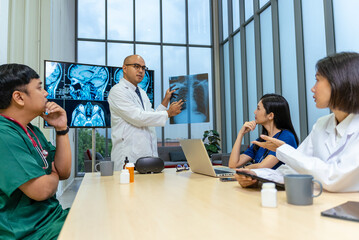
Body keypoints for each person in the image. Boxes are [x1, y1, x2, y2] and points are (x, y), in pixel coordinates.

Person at [235, 52, 359, 192]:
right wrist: (256, 177)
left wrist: (284, 150)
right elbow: (293, 170)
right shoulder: (321, 124)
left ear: (339, 83)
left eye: (317, 80)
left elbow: (333, 179)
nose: (313, 88)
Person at [0, 64, 72, 239]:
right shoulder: (4, 135)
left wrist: (61, 129)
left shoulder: (31, 130)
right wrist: (53, 175)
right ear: (19, 97)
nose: (46, 93)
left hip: (51, 219)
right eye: (39, 87)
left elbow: (64, 171)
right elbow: (40, 190)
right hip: (29, 232)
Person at [108, 55, 183, 170]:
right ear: (124, 68)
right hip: (128, 157)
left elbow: (150, 116)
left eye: (143, 68)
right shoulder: (117, 91)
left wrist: (166, 99)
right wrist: (168, 113)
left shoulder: (142, 93)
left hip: (148, 157)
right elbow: (138, 117)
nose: (141, 71)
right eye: (136, 66)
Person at [229, 94, 299, 170]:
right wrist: (240, 134)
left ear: (270, 115)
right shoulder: (261, 140)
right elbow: (233, 164)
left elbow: (262, 167)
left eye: (258, 109)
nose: (255, 112)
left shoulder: (286, 137)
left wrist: (243, 169)